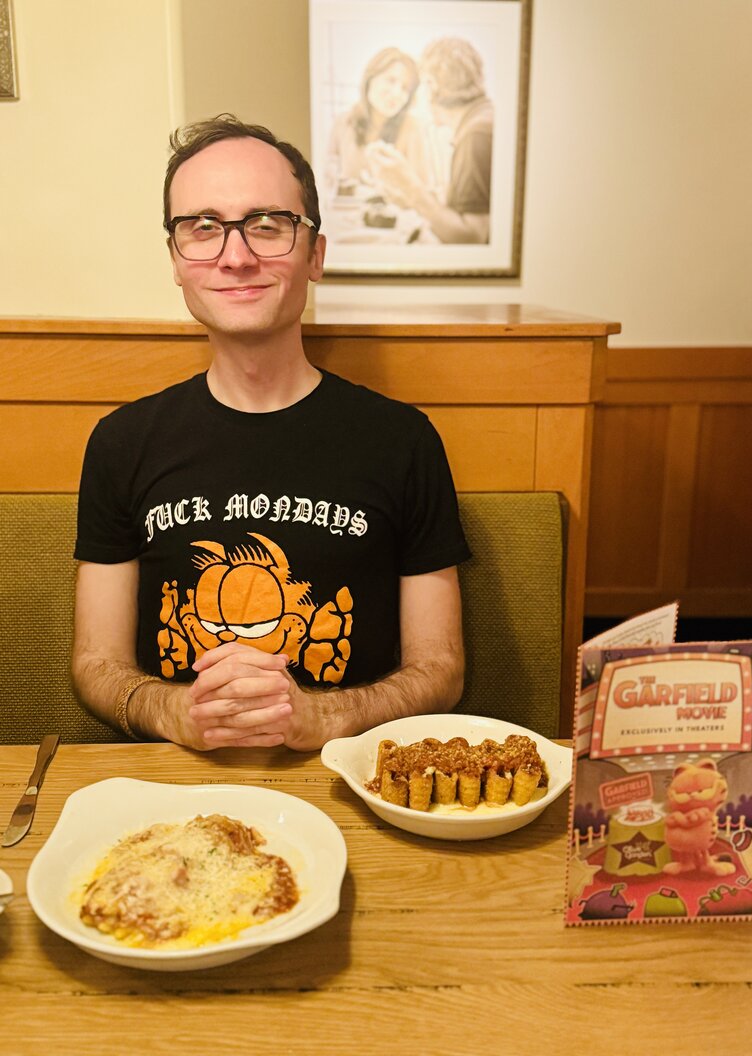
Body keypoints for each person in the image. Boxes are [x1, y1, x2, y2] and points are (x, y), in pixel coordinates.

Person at [71, 115, 470, 753]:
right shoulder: (121, 442)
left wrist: (327, 718)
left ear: (315, 255)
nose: (236, 256)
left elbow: (441, 669)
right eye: (202, 228)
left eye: (267, 224)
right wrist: (175, 712)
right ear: (176, 260)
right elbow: (94, 665)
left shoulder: (404, 440)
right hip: (173, 782)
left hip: (346, 779)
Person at [367, 38, 493, 244]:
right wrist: (412, 198)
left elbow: (472, 237)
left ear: (432, 86)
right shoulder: (480, 120)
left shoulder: (475, 135)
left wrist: (412, 190)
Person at [325, 46, 431, 192]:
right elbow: (326, 180)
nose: (396, 93)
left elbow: (423, 192)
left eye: (405, 88)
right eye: (391, 80)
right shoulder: (343, 122)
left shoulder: (413, 128)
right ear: (370, 78)